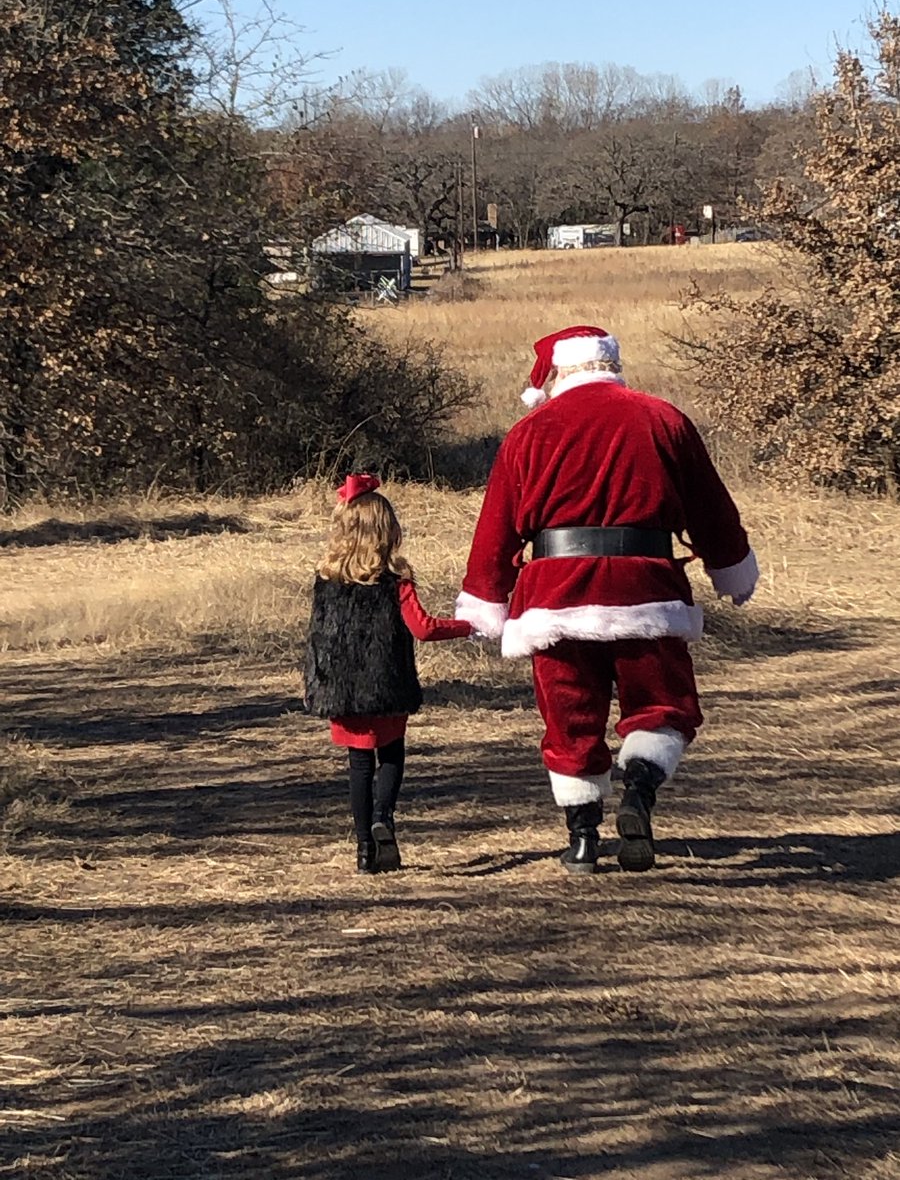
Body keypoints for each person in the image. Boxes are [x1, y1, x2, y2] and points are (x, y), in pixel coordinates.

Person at [456, 325, 758, 875]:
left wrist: (485, 599)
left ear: (553, 375)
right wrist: (729, 567)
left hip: (554, 597)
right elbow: (710, 508)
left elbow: (496, 528)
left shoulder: (529, 434)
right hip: (645, 591)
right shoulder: (663, 419)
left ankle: (582, 839)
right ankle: (639, 794)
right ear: (612, 365)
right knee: (662, 706)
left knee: (570, 718)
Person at [305, 474, 472, 874]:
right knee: (392, 754)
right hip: (388, 683)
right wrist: (469, 625)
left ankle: (364, 851)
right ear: (388, 531)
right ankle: (384, 818)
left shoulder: (325, 581)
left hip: (343, 689)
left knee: (358, 764)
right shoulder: (396, 582)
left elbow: (317, 636)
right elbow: (423, 628)